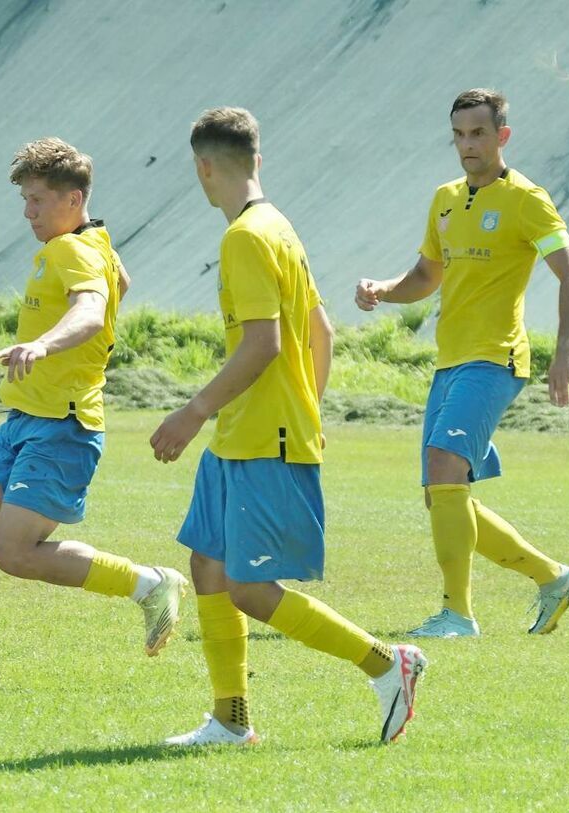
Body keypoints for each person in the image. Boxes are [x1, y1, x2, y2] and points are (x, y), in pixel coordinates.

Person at [155, 108, 425, 746]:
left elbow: (263, 346)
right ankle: (230, 719)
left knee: (247, 587)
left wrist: (191, 412)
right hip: (249, 433)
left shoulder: (245, 238)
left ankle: (388, 664)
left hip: (258, 434)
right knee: (208, 566)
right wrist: (311, 407)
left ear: (204, 167)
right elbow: (321, 333)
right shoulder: (279, 226)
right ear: (258, 159)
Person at [0, 137, 186, 689]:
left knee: (15, 553)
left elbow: (92, 311)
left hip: (63, 427)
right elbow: (119, 284)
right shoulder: (96, 241)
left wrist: (44, 346)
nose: (28, 213)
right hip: (22, 420)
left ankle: (150, 583)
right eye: (25, 200)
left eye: (38, 200)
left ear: (73, 199)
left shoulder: (70, 250)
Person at [356, 88, 569, 638]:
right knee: (442, 496)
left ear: (501, 136)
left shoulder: (527, 199)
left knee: (443, 471)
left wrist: (565, 351)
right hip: (450, 362)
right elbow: (425, 277)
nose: (468, 145)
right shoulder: (444, 198)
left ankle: (457, 615)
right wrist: (380, 290)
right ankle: (553, 578)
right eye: (459, 135)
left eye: (479, 134)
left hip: (496, 359)